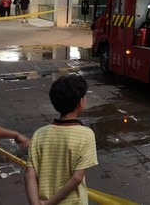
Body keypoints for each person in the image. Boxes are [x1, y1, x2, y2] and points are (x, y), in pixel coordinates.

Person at [25, 75, 98, 205]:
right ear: (80, 102)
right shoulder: (86, 135)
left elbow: (29, 175)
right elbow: (77, 178)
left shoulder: (39, 134)